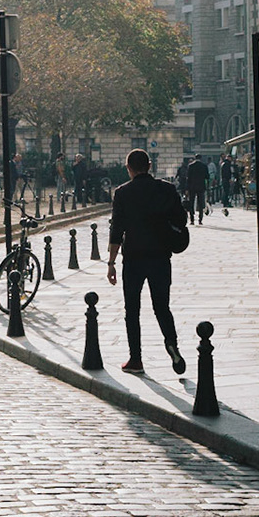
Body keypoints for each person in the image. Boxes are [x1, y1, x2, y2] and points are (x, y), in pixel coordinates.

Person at [106, 148, 188, 377]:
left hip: (133, 258)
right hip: (161, 256)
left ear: (128, 168)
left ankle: (136, 359)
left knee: (132, 309)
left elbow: (116, 230)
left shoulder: (122, 193)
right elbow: (182, 219)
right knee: (162, 306)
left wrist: (111, 263)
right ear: (149, 166)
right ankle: (172, 344)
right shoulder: (167, 189)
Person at [180, 154, 210, 225]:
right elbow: (207, 177)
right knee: (200, 203)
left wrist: (187, 188)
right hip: (201, 187)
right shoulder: (204, 166)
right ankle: (200, 219)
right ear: (201, 158)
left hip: (192, 187)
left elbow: (188, 178)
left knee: (191, 202)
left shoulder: (191, 166)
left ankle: (192, 219)